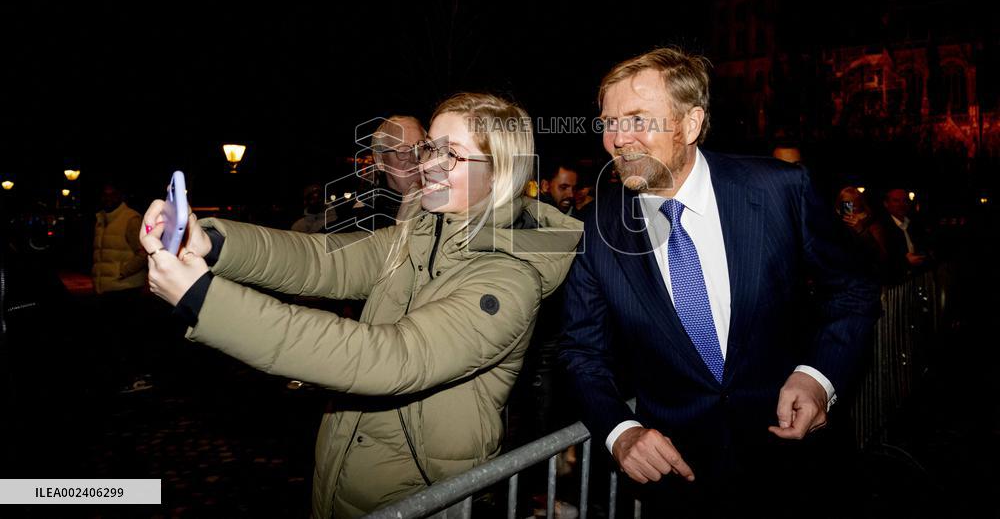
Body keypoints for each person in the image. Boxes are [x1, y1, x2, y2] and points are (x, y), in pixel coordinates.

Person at [139, 93, 583, 518]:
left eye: (450, 155)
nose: (427, 163)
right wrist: (214, 242)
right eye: (430, 147)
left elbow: (388, 358)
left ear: (499, 173)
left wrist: (203, 299)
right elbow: (322, 261)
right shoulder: (421, 233)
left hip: (424, 493)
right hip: (348, 468)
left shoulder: (508, 277)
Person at [560, 47, 881, 517]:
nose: (617, 139)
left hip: (800, 467)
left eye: (636, 119)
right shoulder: (596, 230)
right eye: (609, 122)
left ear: (690, 125)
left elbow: (853, 289)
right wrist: (619, 432)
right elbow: (580, 352)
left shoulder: (779, 191)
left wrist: (818, 377)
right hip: (682, 482)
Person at [92, 182, 154, 392]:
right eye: (104, 194)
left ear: (121, 195)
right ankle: (128, 375)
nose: (107, 198)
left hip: (125, 288)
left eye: (112, 194)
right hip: (107, 288)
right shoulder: (100, 219)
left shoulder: (130, 218)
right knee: (113, 337)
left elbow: (144, 251)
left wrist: (122, 271)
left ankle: (135, 377)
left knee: (125, 336)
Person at [836, 187, 907, 283]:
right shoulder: (835, 223)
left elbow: (881, 256)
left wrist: (861, 230)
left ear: (860, 204)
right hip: (841, 279)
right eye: (845, 203)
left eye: (853, 203)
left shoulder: (872, 224)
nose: (850, 207)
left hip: (866, 281)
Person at [883, 188, 933, 268]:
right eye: (896, 201)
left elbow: (925, 246)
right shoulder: (881, 228)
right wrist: (905, 262)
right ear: (886, 204)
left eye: (905, 200)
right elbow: (881, 259)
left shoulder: (914, 223)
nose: (901, 204)